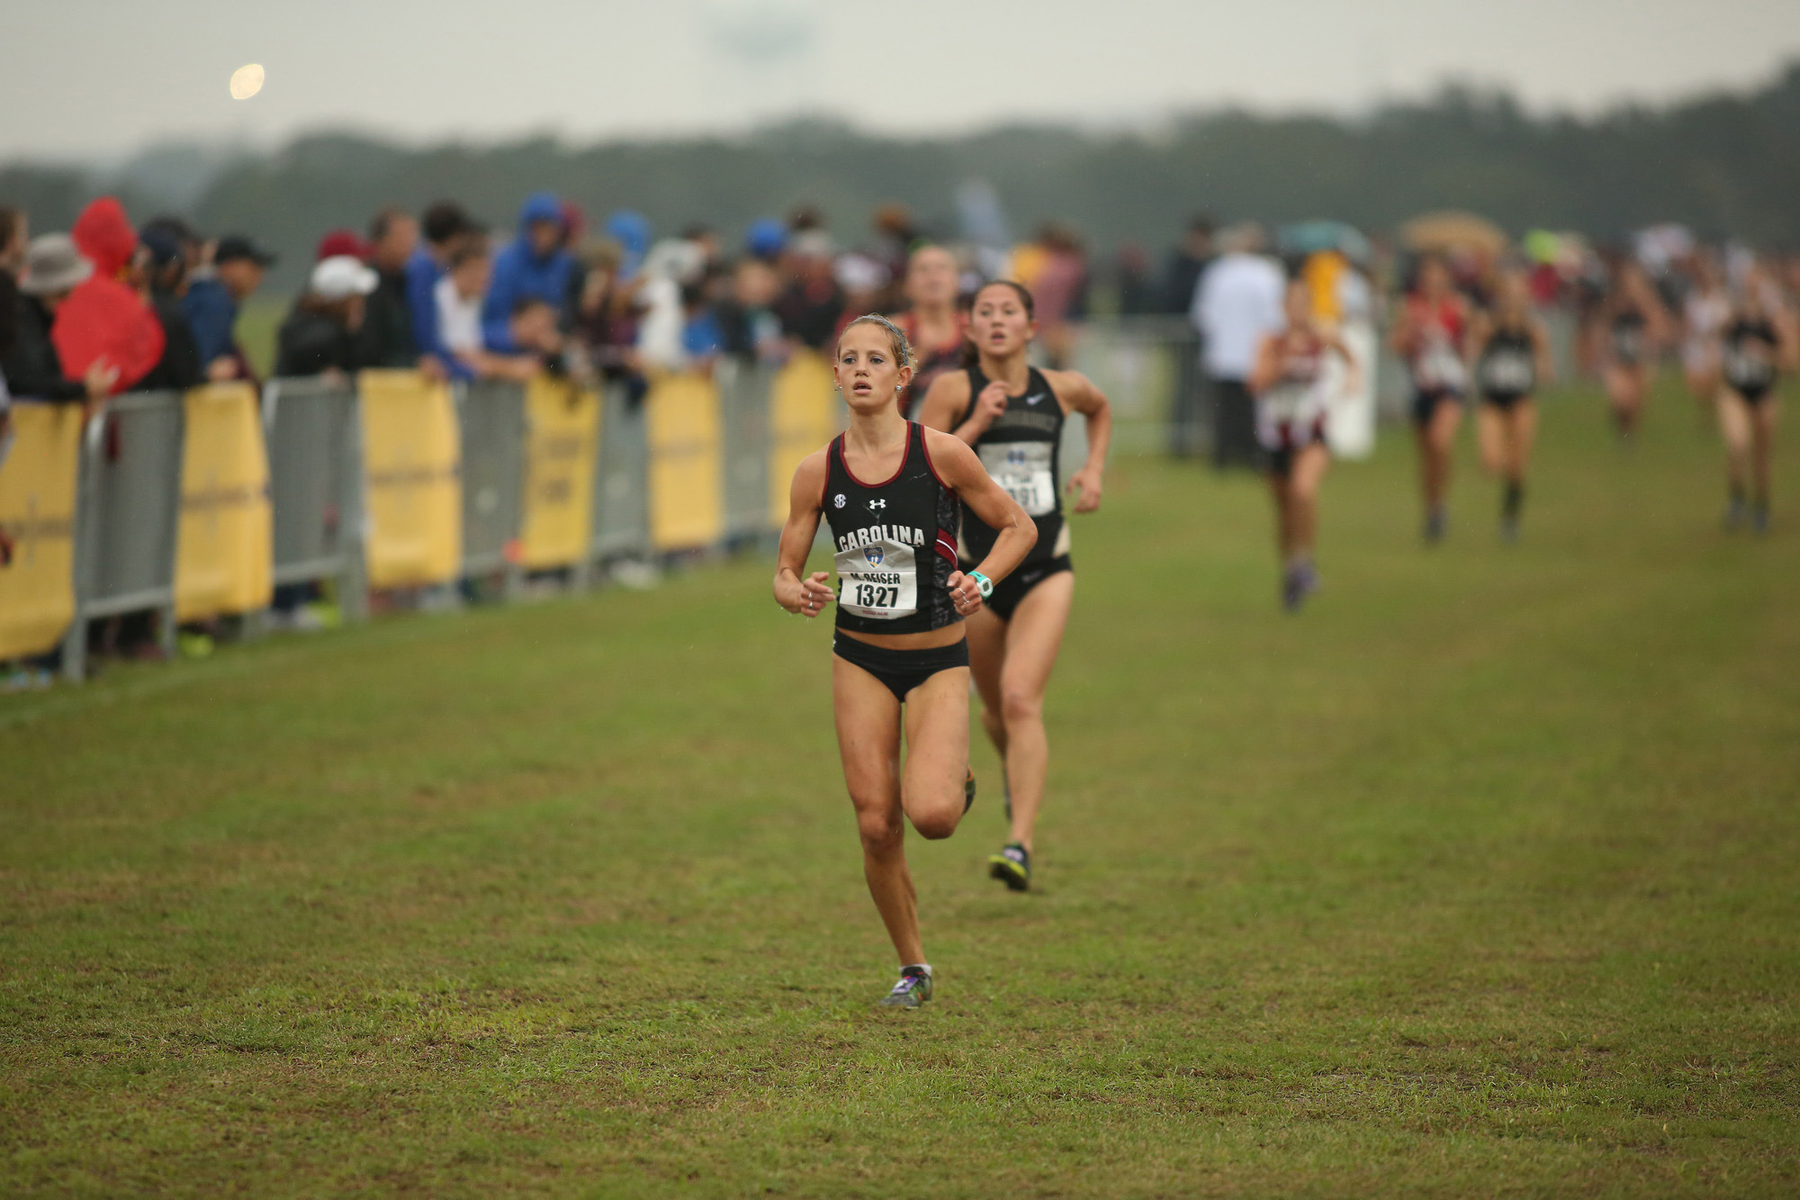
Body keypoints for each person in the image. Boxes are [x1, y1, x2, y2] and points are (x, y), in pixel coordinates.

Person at [772, 314, 1036, 1009]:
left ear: (902, 376)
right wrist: (794, 591)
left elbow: (1019, 527)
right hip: (859, 658)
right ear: (835, 376)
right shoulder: (816, 470)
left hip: (938, 658)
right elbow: (784, 570)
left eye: (876, 359)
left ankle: (957, 774)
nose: (861, 369)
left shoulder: (942, 454)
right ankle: (913, 967)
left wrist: (982, 581)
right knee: (875, 823)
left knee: (934, 817)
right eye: (848, 359)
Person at [916, 281, 1112, 892]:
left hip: (1046, 564)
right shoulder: (953, 390)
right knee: (997, 709)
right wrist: (976, 422)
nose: (998, 321)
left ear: (1032, 327)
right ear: (969, 328)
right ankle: (1014, 777)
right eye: (986, 312)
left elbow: (1100, 408)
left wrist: (1094, 467)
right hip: (977, 572)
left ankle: (1019, 843)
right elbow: (918, 469)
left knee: (1023, 700)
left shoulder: (1062, 387)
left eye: (1010, 312)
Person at [1249, 279, 1356, 610]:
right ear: (1283, 308)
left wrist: (1354, 376)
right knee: (1284, 512)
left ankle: (1305, 561)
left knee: (1303, 490)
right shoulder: (1271, 341)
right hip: (1276, 435)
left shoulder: (1321, 337)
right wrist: (1281, 365)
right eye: (1291, 304)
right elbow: (1255, 382)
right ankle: (1290, 572)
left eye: (1302, 304)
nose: (1297, 310)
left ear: (1309, 307)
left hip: (1312, 433)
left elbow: (1349, 355)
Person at [1465, 269, 1554, 543]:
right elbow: (1472, 355)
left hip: (1521, 400)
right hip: (1492, 400)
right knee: (1490, 462)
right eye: (1508, 294)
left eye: (1519, 294)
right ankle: (1508, 509)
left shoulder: (1533, 330)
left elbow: (1545, 367)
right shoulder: (1488, 325)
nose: (1513, 300)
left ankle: (1510, 519)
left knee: (1518, 465)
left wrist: (1541, 369)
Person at [1389, 254, 1470, 542]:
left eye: (1438, 276)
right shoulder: (1410, 308)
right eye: (1427, 276)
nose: (1433, 282)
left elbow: (1469, 345)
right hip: (1422, 388)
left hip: (1450, 386)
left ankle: (1440, 502)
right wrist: (1410, 336)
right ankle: (1433, 508)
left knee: (1440, 441)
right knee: (1427, 457)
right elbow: (1394, 346)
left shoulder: (1458, 308)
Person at [1192, 223, 1285, 470]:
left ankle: (1222, 457)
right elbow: (1274, 317)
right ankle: (1254, 455)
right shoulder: (1266, 272)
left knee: (1223, 409)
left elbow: (1203, 315)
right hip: (1256, 353)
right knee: (1254, 409)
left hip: (1222, 353)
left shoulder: (1216, 272)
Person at [1715, 265, 1798, 533]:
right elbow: (1716, 343)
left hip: (1764, 392)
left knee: (1761, 454)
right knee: (1738, 444)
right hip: (1735, 391)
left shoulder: (1774, 323)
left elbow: (1791, 363)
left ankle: (1761, 505)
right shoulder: (1733, 318)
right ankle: (1737, 498)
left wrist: (1766, 352)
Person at [481, 192, 575, 353]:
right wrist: (518, 334)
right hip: (505, 351)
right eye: (537, 227)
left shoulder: (562, 264)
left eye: (550, 228)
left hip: (539, 352)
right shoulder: (505, 264)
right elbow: (488, 323)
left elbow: (557, 311)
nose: (544, 235)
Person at [1596, 258, 1672, 443]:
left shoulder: (1648, 305)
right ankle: (1622, 426)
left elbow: (1661, 330)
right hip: (1618, 360)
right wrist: (1602, 350)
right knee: (1620, 399)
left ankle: (1629, 432)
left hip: (1640, 360)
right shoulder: (1613, 303)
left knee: (1636, 402)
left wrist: (1648, 338)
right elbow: (1603, 326)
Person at [889, 244, 967, 419]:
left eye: (942, 268)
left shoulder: (974, 331)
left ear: (957, 282)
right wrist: (918, 358)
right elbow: (876, 396)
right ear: (907, 285)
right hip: (908, 431)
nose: (933, 277)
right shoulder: (892, 332)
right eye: (923, 270)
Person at [183, 233, 274, 383]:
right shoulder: (214, 301)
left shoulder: (205, 293)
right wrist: (205, 375)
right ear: (229, 265)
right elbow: (203, 359)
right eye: (253, 266)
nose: (259, 275)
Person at [274, 256, 378, 380]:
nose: (362, 304)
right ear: (343, 301)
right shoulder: (324, 338)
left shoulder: (307, 326)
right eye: (356, 297)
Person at [406, 201, 477, 378]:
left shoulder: (438, 268)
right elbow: (423, 324)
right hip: (426, 363)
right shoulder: (423, 270)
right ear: (455, 238)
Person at [136, 225, 204, 392]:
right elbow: (187, 375)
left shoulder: (117, 304)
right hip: (158, 403)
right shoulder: (170, 312)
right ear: (172, 269)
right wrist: (210, 376)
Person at [356, 207, 421, 370]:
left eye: (412, 236)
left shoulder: (408, 282)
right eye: (401, 238)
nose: (409, 244)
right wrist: (414, 364)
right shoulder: (366, 285)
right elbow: (369, 349)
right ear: (379, 241)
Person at [1680, 251, 1731, 415]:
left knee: (1716, 381)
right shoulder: (1692, 298)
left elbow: (1725, 324)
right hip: (1697, 345)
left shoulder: (1719, 298)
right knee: (1699, 388)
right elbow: (1688, 324)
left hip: (1714, 345)